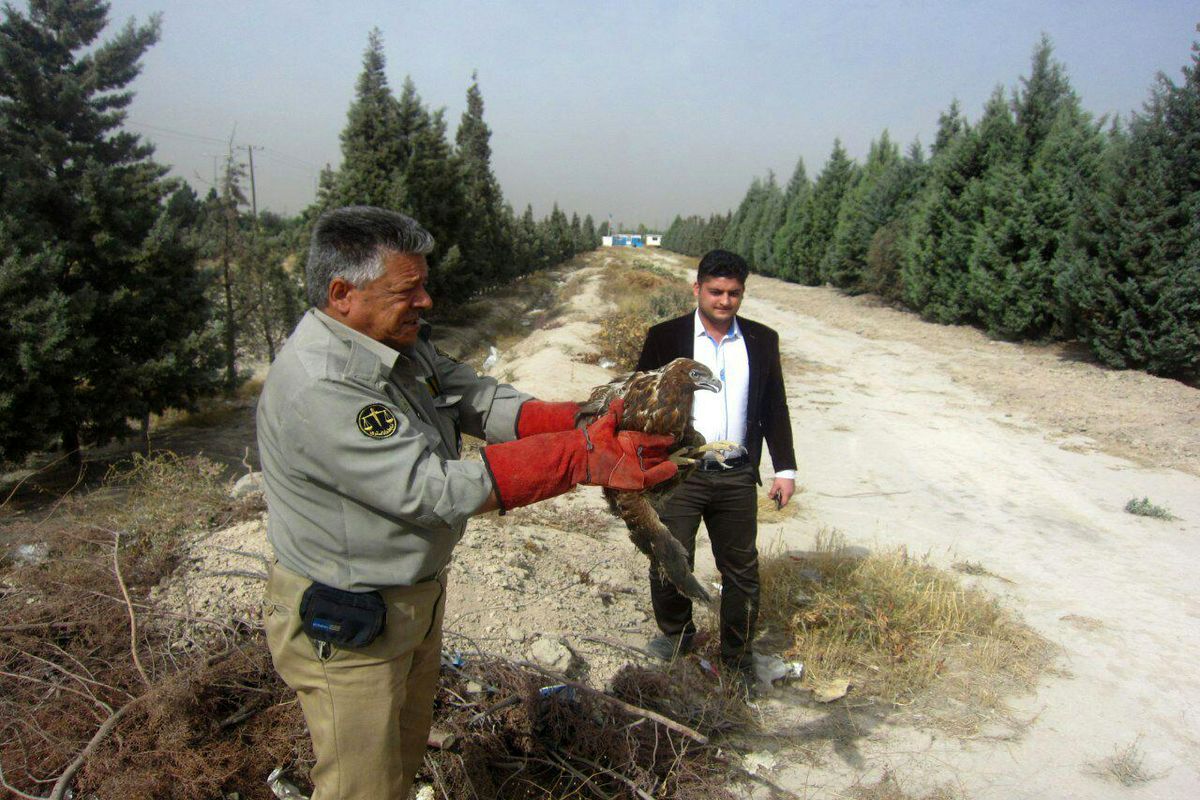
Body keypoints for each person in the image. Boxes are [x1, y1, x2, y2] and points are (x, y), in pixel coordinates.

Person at [256, 205, 677, 800]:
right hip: (348, 623)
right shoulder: (324, 384)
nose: (427, 300)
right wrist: (576, 457)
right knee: (361, 789)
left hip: (410, 605)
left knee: (397, 771)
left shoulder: (394, 343)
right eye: (410, 289)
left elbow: (476, 397)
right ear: (342, 293)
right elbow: (430, 488)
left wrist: (584, 421)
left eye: (425, 283)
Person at [635, 249, 797, 695]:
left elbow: (774, 407)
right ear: (697, 289)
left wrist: (785, 468)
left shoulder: (763, 341)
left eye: (734, 293)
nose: (725, 301)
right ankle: (679, 645)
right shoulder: (665, 338)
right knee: (669, 560)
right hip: (679, 473)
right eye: (716, 292)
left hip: (736, 475)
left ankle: (737, 660)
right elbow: (638, 403)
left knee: (742, 571)